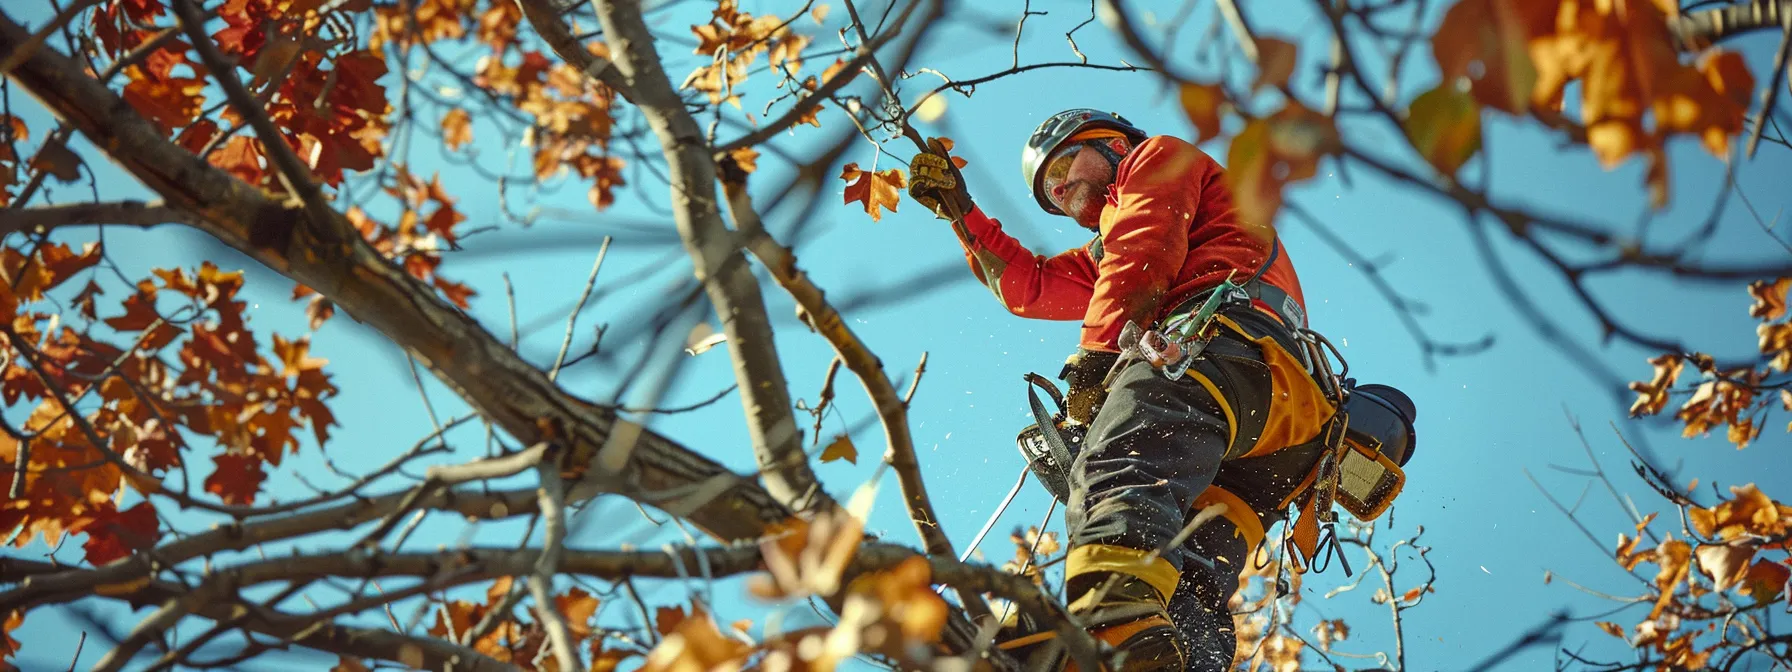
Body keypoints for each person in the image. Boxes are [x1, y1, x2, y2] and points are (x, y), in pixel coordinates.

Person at [905, 109, 1352, 671]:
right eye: (1051, 191)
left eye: (1065, 164)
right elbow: (1033, 286)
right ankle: (1176, 653)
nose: (1062, 188)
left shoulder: (1159, 158)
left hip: (1224, 355)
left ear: (1115, 144)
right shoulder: (1110, 243)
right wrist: (961, 214)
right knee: (1191, 559)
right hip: (1281, 429)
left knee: (1118, 470)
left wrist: (1096, 360)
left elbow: (1145, 246)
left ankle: (1114, 629)